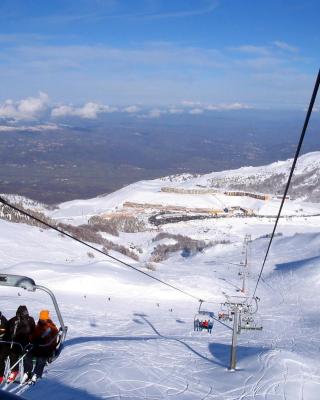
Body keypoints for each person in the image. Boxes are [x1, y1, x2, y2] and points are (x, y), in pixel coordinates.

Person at [23, 310, 58, 383]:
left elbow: (53, 339)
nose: (41, 320)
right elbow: (33, 336)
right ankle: (27, 372)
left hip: (46, 348)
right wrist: (32, 339)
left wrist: (46, 344)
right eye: (41, 318)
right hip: (37, 346)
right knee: (27, 355)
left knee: (41, 358)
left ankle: (36, 374)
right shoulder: (38, 326)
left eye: (43, 319)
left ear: (46, 318)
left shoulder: (51, 327)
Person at [2, 306, 35, 383]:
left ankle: (27, 373)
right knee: (12, 353)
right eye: (24, 313)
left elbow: (34, 330)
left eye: (26, 312)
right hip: (15, 342)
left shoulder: (30, 320)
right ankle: (14, 371)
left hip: (26, 343)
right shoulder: (14, 320)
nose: (26, 314)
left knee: (27, 355)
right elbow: (7, 330)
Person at [0, 311, 8, 383]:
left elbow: (7, 333)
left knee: (1, 358)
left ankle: (1, 375)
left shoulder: (4, 321)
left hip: (4, 344)